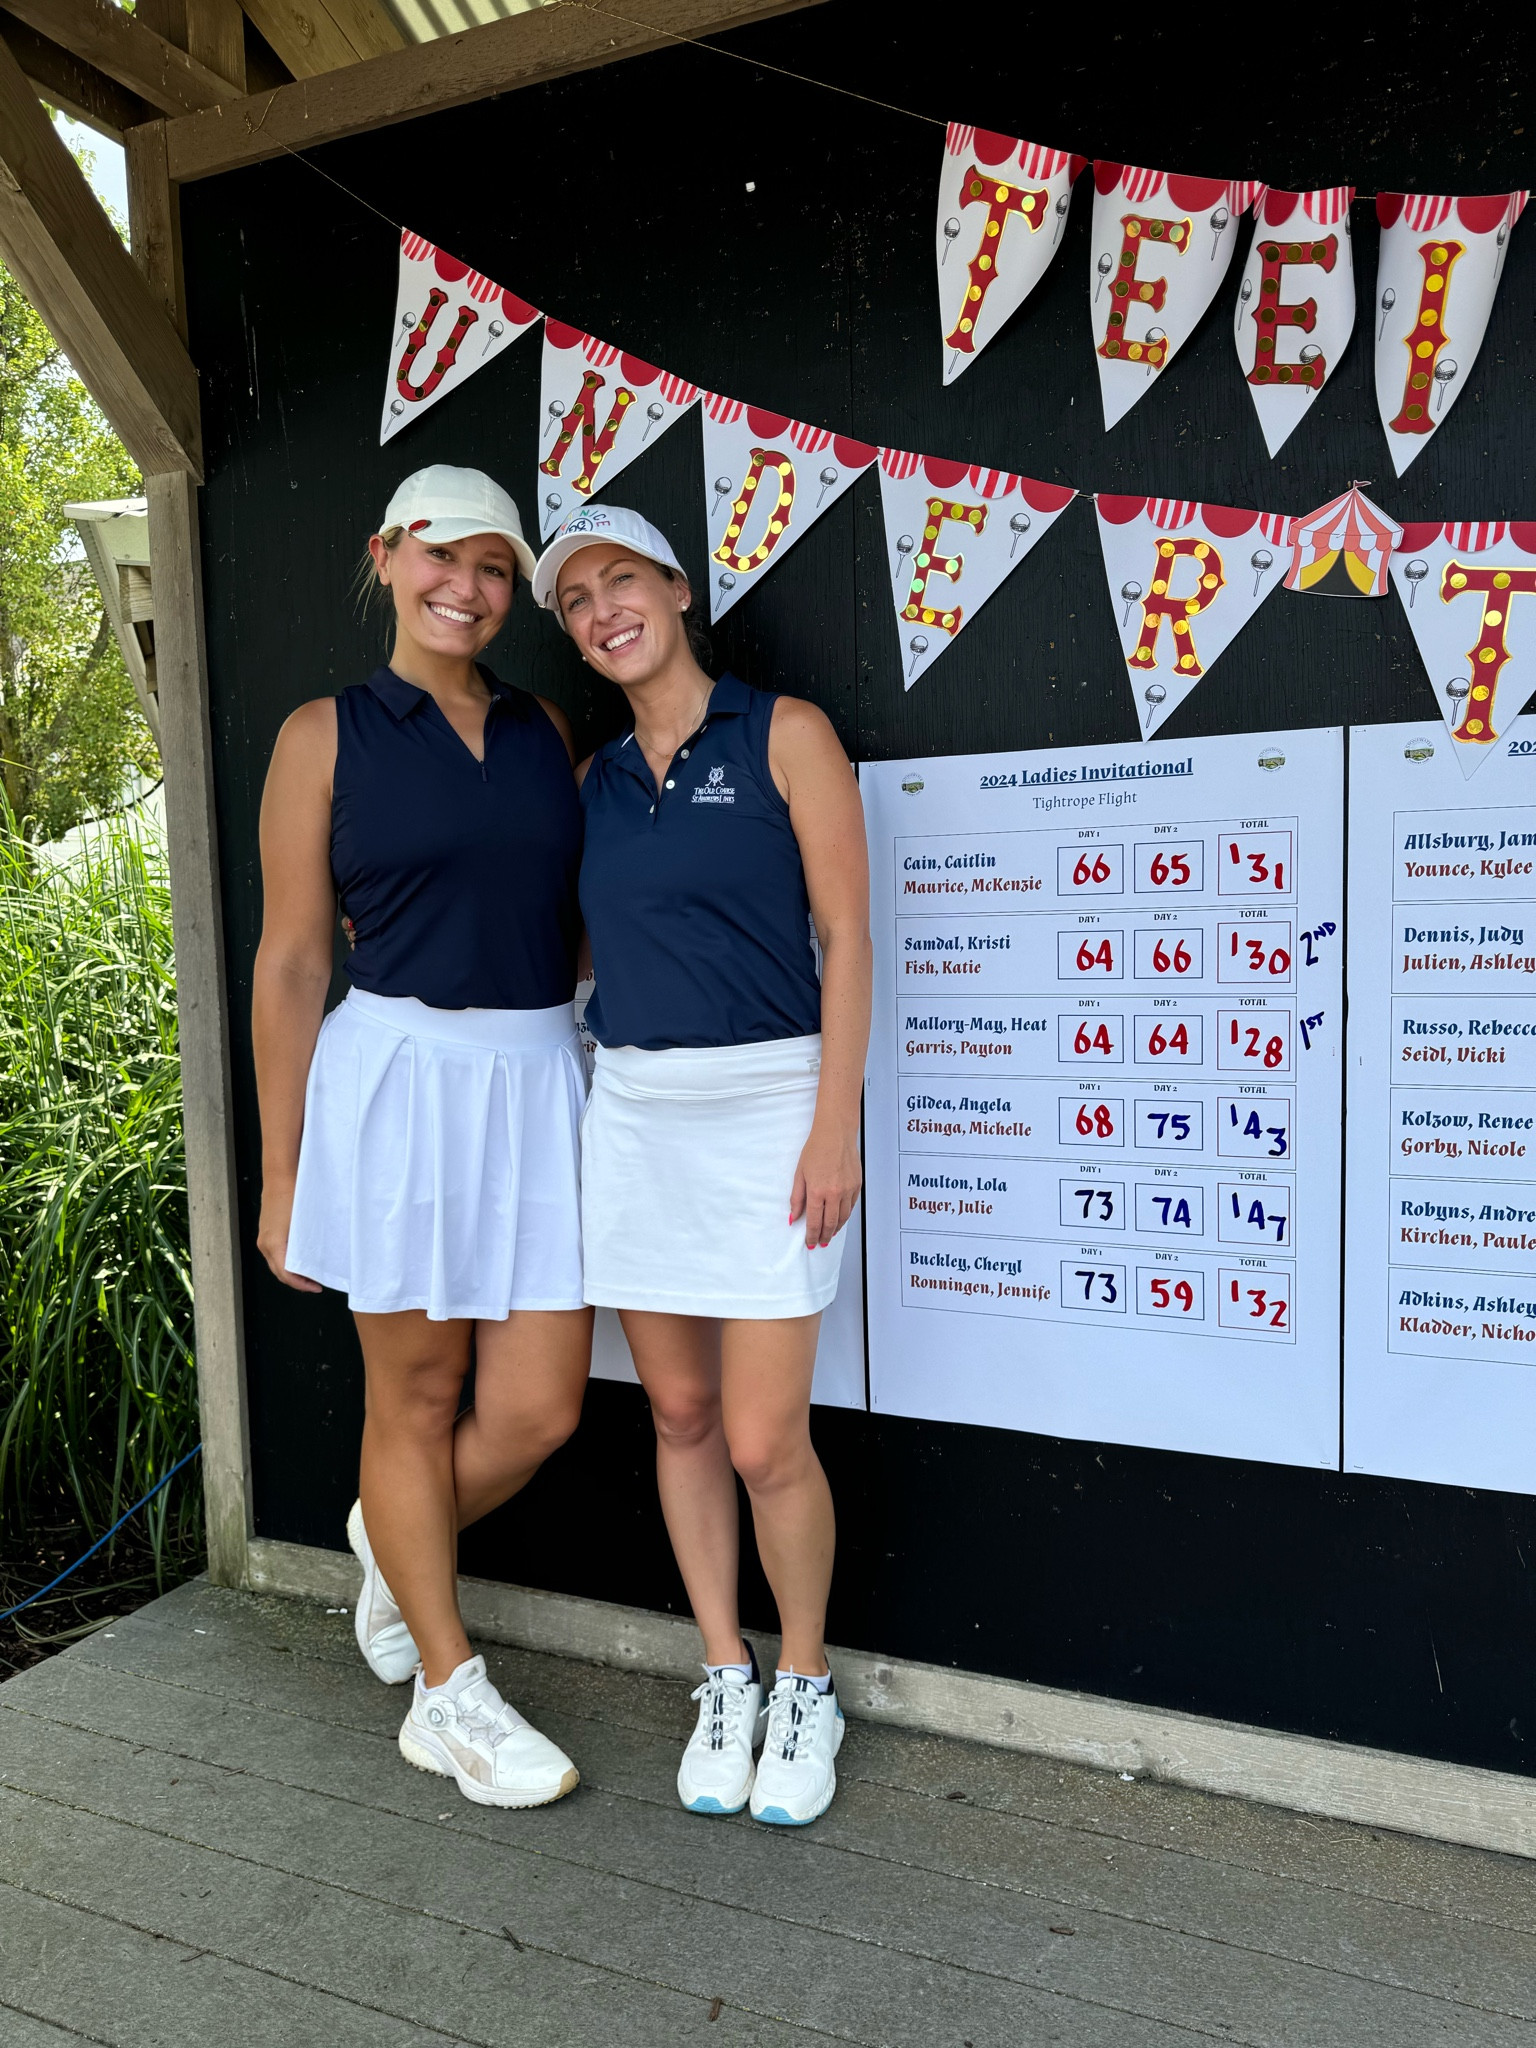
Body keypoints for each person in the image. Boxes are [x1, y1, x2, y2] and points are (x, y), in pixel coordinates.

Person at [253, 465, 591, 1810]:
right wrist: (283, 1175)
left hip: (537, 1078)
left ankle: (392, 1545)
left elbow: (568, 917)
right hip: (395, 1081)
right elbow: (287, 961)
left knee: (541, 1407)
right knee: (418, 1399)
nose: (469, 587)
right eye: (443, 558)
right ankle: (447, 1697)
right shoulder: (321, 735)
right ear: (387, 556)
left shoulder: (544, 728)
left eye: (496, 569)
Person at [532, 503, 871, 1827]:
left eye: (623, 580)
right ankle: (722, 1670)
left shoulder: (786, 734)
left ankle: (806, 1682)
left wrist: (833, 1119)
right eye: (576, 600)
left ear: (676, 589)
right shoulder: (592, 784)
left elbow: (845, 937)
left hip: (773, 1109)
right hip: (635, 1116)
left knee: (761, 1435)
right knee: (676, 1416)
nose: (603, 609)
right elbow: (566, 959)